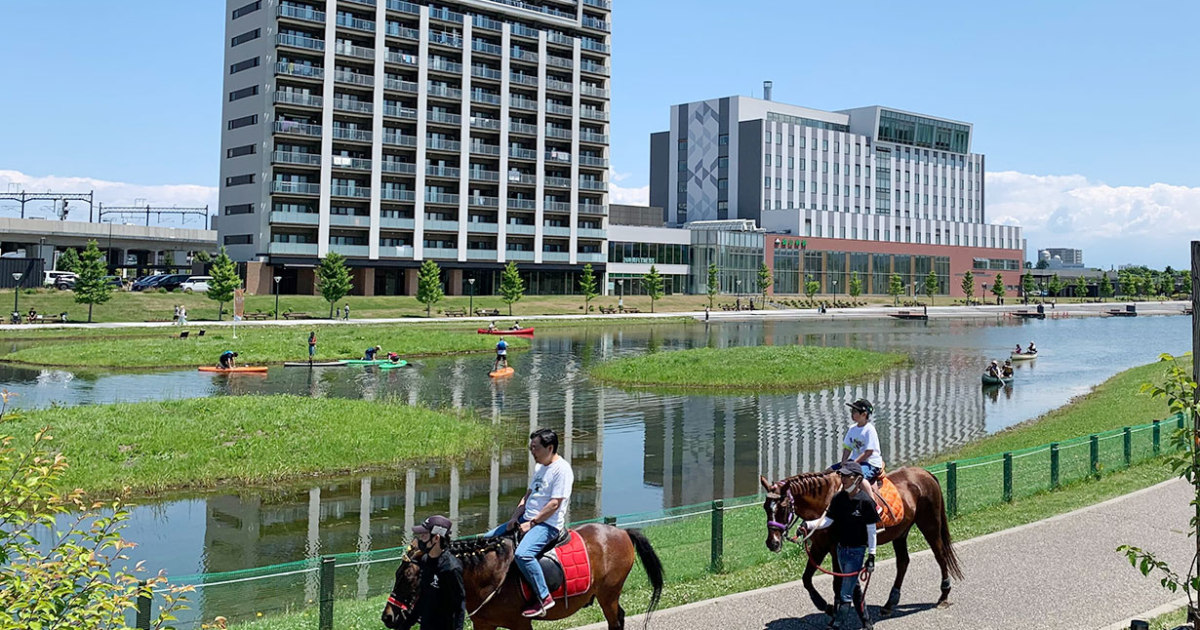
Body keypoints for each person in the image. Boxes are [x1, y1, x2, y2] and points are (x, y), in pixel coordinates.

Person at [487, 428, 574, 618]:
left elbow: (554, 504)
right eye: (530, 447)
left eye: (535, 448)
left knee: (523, 555)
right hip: (526, 519)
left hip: (547, 525)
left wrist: (532, 523)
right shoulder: (539, 467)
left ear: (549, 448)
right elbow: (528, 496)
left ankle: (544, 597)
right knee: (487, 540)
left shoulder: (562, 470)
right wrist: (515, 517)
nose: (532, 452)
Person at [799, 461, 879, 630]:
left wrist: (871, 555)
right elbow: (827, 521)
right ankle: (867, 622)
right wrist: (808, 525)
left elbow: (871, 531)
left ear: (857, 479)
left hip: (857, 551)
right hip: (841, 550)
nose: (842, 479)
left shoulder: (866, 502)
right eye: (841, 475)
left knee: (845, 592)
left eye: (847, 476)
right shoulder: (838, 498)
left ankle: (837, 625)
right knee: (854, 586)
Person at [410, 515, 466, 630]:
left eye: (424, 535)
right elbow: (423, 597)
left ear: (436, 538)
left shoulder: (451, 568)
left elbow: (459, 606)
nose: (420, 539)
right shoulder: (425, 561)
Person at [830, 399, 885, 499]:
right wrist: (844, 462)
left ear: (864, 414)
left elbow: (868, 452)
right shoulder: (852, 429)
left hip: (870, 463)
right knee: (829, 471)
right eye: (852, 411)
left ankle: (873, 505)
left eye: (855, 412)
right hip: (854, 462)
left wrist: (854, 464)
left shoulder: (869, 430)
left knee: (860, 479)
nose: (852, 414)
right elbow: (847, 448)